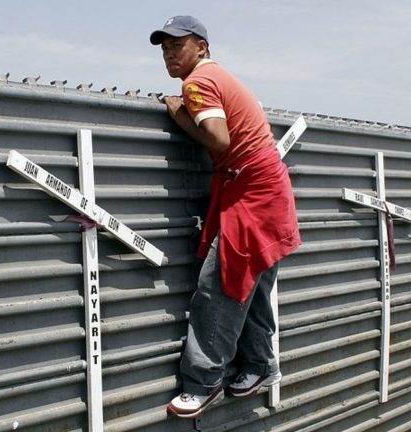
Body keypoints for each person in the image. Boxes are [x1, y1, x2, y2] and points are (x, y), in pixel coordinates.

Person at [150, 15, 301, 419]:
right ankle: (259, 366)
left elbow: (219, 138)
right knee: (250, 283)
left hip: (251, 194)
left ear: (201, 46)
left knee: (220, 286)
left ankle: (203, 383)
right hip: (264, 189)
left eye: (176, 45)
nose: (168, 54)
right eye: (164, 48)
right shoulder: (220, 76)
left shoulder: (197, 83)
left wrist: (179, 116)